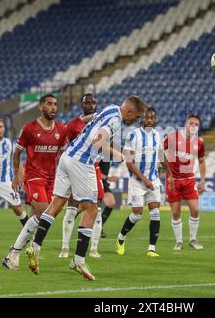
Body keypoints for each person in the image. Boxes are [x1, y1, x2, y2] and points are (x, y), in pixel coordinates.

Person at [27, 95, 146, 281]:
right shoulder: (115, 121)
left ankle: (35, 246)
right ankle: (79, 260)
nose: (136, 121)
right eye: (136, 117)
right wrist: (119, 154)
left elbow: (92, 124)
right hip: (82, 162)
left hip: (67, 158)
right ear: (129, 111)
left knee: (56, 204)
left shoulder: (111, 107)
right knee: (92, 209)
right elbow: (98, 142)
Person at [2, 94, 67, 268]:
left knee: (40, 217)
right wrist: (17, 174)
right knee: (44, 212)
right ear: (40, 107)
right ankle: (27, 249)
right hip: (34, 176)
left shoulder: (61, 129)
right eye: (49, 104)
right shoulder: (29, 129)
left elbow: (62, 155)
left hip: (52, 178)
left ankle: (13, 255)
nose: (53, 107)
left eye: (55, 104)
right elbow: (16, 153)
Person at [116, 107, 172, 257]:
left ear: (155, 120)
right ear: (142, 119)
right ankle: (121, 237)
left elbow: (161, 156)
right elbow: (129, 162)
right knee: (137, 215)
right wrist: (144, 179)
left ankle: (151, 248)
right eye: (146, 118)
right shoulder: (133, 135)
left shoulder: (157, 135)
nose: (149, 120)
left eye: (152, 118)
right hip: (137, 181)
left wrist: (170, 174)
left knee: (155, 213)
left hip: (153, 180)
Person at [59, 93, 104, 259]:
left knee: (97, 208)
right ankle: (64, 248)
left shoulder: (101, 125)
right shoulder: (73, 125)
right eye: (88, 103)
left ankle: (93, 249)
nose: (91, 105)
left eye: (93, 102)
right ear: (82, 105)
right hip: (76, 168)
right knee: (71, 208)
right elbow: (64, 146)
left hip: (94, 168)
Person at [164, 114, 206, 251]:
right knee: (176, 213)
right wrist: (165, 170)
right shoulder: (172, 137)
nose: (193, 126)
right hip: (173, 181)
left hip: (189, 180)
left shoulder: (199, 142)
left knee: (195, 209)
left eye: (196, 124)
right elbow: (159, 152)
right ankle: (179, 241)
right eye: (191, 123)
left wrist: (203, 180)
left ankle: (193, 240)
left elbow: (201, 161)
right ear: (186, 124)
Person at [99, 159, 118, 238]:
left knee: (111, 203)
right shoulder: (99, 152)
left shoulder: (108, 154)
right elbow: (92, 169)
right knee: (81, 207)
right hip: (94, 181)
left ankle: (99, 227)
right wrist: (108, 178)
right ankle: (70, 220)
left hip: (103, 182)